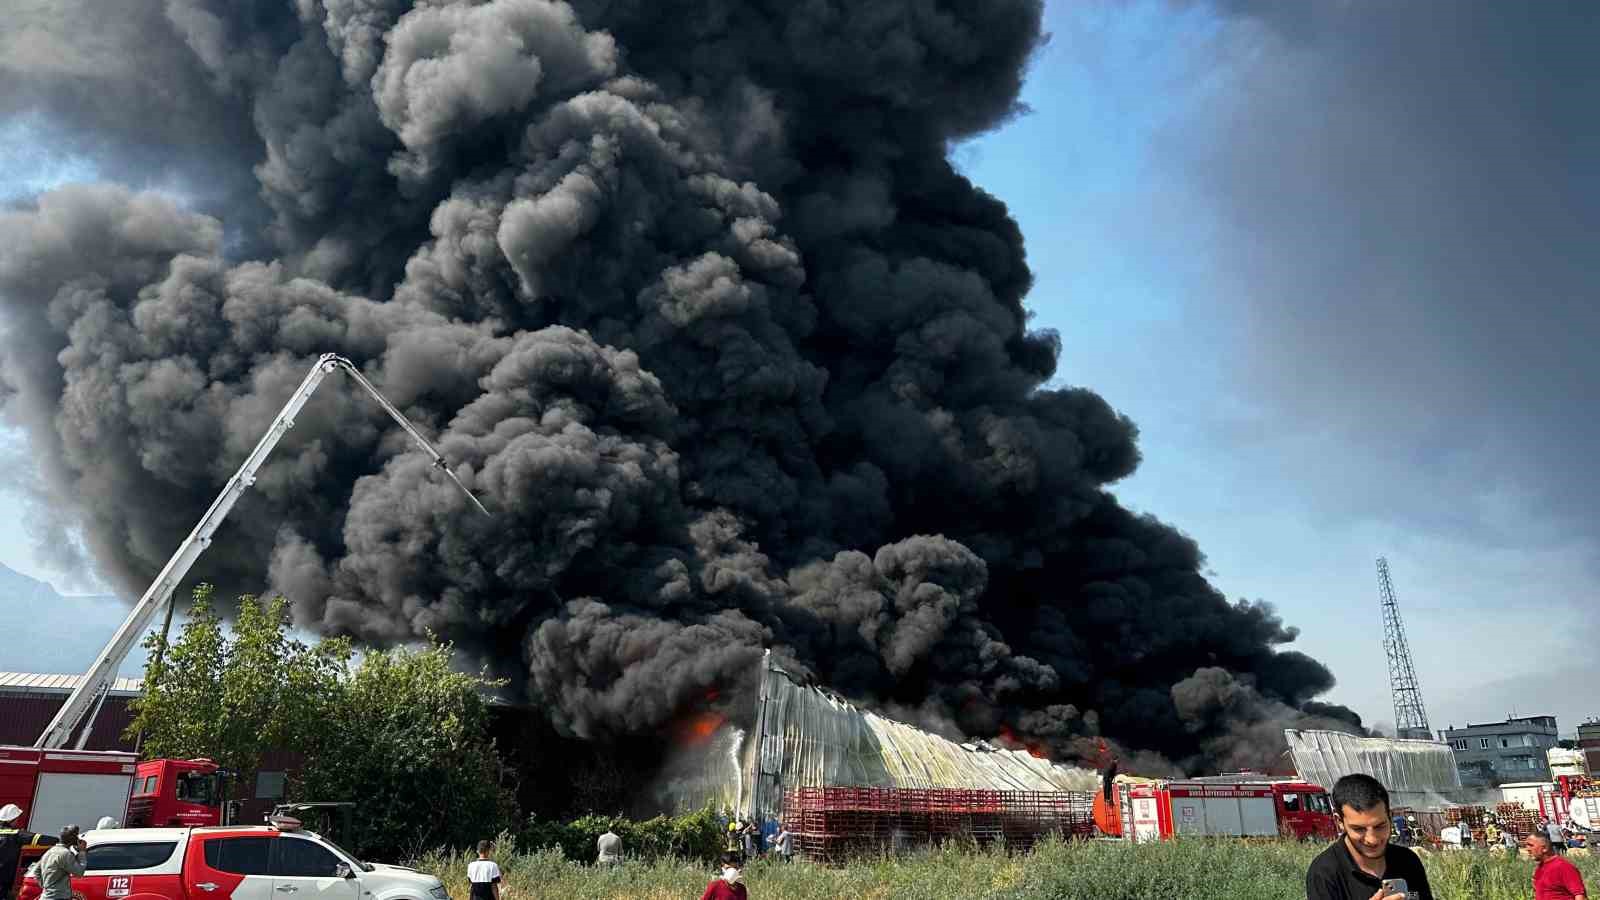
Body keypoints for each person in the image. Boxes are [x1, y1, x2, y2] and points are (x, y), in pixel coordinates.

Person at [1306, 774, 1434, 900]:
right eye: (1359, 829)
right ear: (1339, 821)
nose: (1372, 839)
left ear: (1389, 816)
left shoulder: (1408, 861)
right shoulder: (1324, 873)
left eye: (1380, 826)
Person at [0, 806, 55, 900]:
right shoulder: (17, 834)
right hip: (5, 880)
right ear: (13, 819)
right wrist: (60, 840)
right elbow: (42, 839)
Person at [1524, 831, 1587, 900]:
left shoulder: (1563, 867)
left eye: (1531, 845)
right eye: (1526, 846)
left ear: (1544, 848)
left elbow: (1580, 895)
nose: (1528, 849)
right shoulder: (1540, 868)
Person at [37, 826, 86, 900]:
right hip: (59, 897)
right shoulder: (65, 854)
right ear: (73, 840)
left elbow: (36, 871)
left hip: (45, 896)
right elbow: (79, 872)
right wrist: (82, 852)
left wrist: (46, 887)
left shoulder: (49, 852)